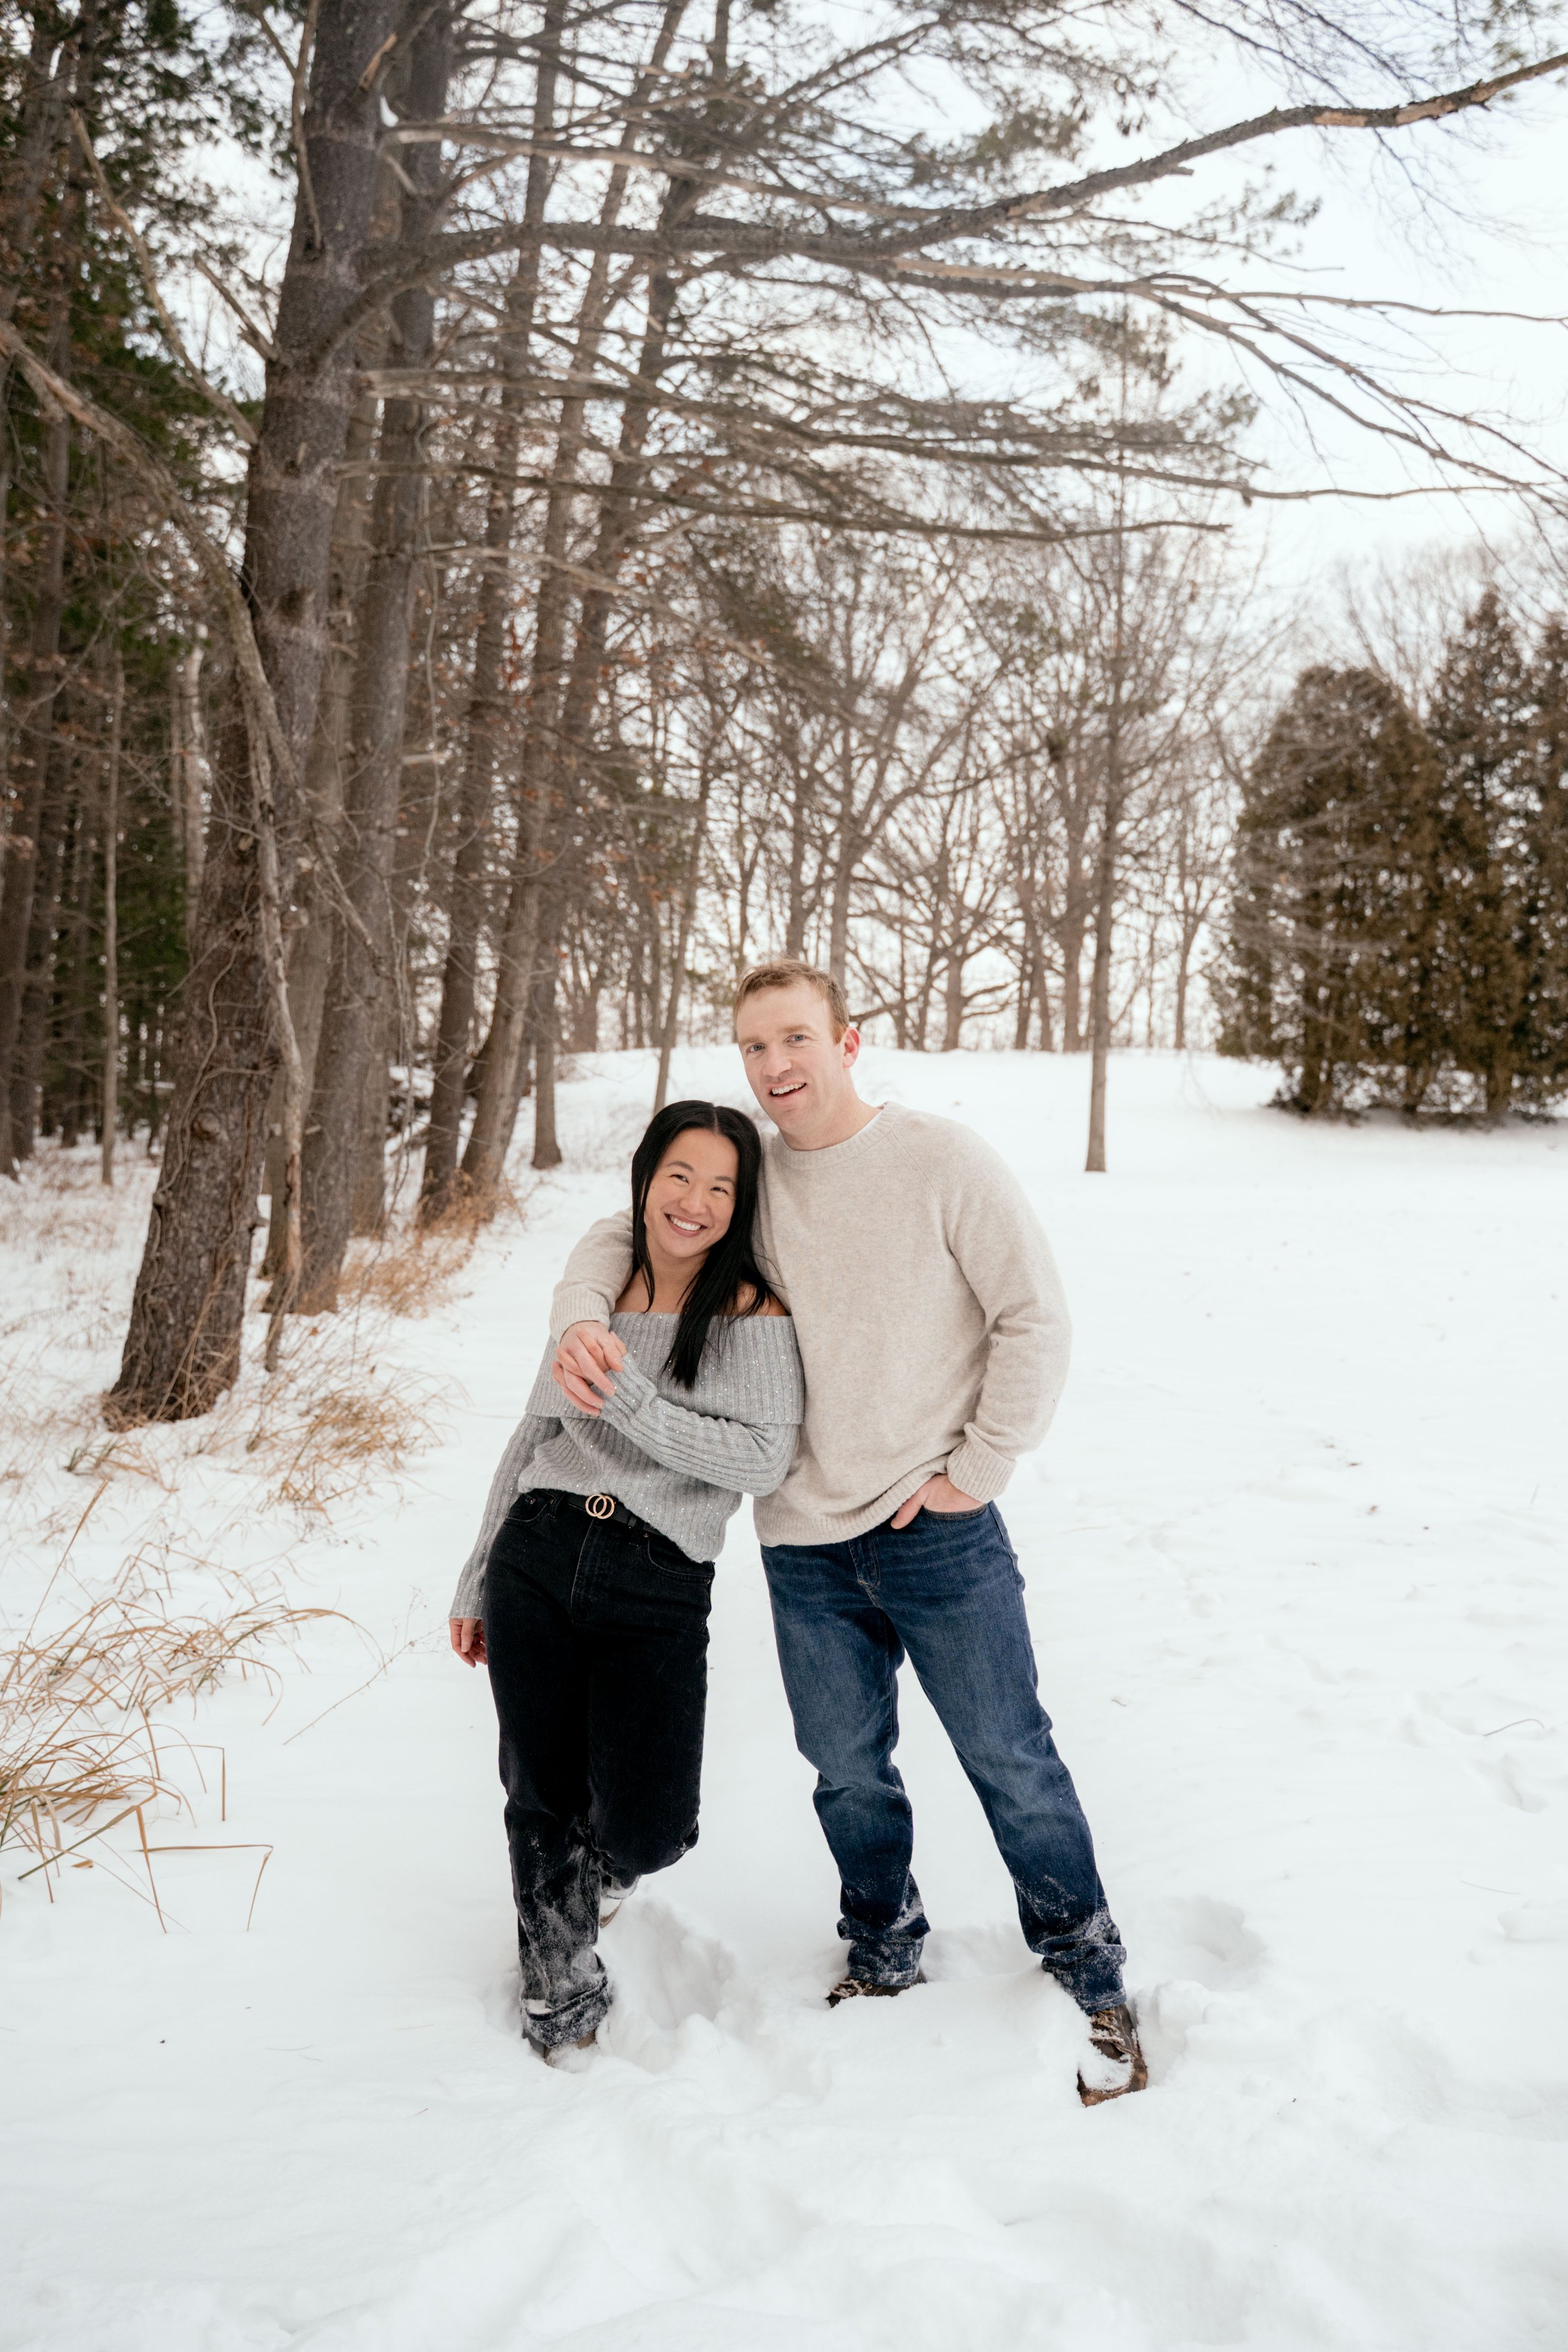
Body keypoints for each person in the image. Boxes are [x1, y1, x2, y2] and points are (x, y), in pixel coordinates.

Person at [549, 963, 1147, 2104]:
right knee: (846, 1770)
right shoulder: (752, 1178)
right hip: (803, 1542)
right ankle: (883, 1939)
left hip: (939, 1530)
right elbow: (621, 1229)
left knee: (1011, 1757)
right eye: (753, 1047)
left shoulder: (941, 1159)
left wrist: (978, 1469)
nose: (775, 1066)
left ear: (848, 1040)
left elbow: (1035, 1317)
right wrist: (580, 1312)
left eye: (795, 1039)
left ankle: (1089, 1966)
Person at [449, 1100, 803, 2061]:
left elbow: (764, 1457)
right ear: (646, 1178)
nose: (695, 1200)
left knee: (654, 1826)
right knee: (539, 1792)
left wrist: (634, 1405)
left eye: (722, 1185)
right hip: (540, 1548)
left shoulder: (753, 1313)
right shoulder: (598, 1296)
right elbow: (533, 1434)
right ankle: (559, 1993)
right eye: (679, 1174)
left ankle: (593, 1876)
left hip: (657, 1576)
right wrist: (476, 1573)